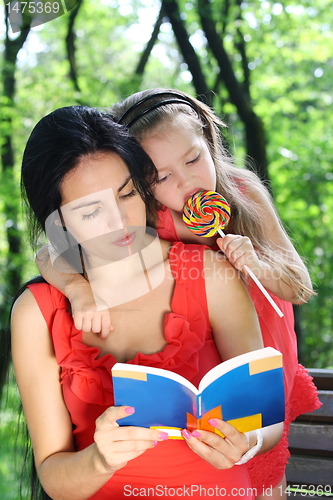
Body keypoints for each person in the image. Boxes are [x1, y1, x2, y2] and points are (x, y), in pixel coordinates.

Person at [35, 91, 321, 498]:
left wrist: (257, 265)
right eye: (162, 176)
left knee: (264, 473)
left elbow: (299, 286)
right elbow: (49, 251)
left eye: (193, 159)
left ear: (209, 141)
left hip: (263, 364)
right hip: (204, 387)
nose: (187, 181)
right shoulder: (147, 216)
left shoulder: (242, 190)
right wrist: (77, 288)